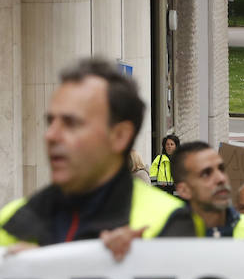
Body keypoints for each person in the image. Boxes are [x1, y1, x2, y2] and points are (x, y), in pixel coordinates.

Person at [0, 58, 195, 255]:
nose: (51, 135)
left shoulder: (171, 222)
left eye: (71, 123)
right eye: (51, 121)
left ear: (119, 136)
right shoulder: (11, 219)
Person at [171, 141, 244, 238]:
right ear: (184, 190)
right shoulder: (168, 238)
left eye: (221, 169)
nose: (221, 178)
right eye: (206, 174)